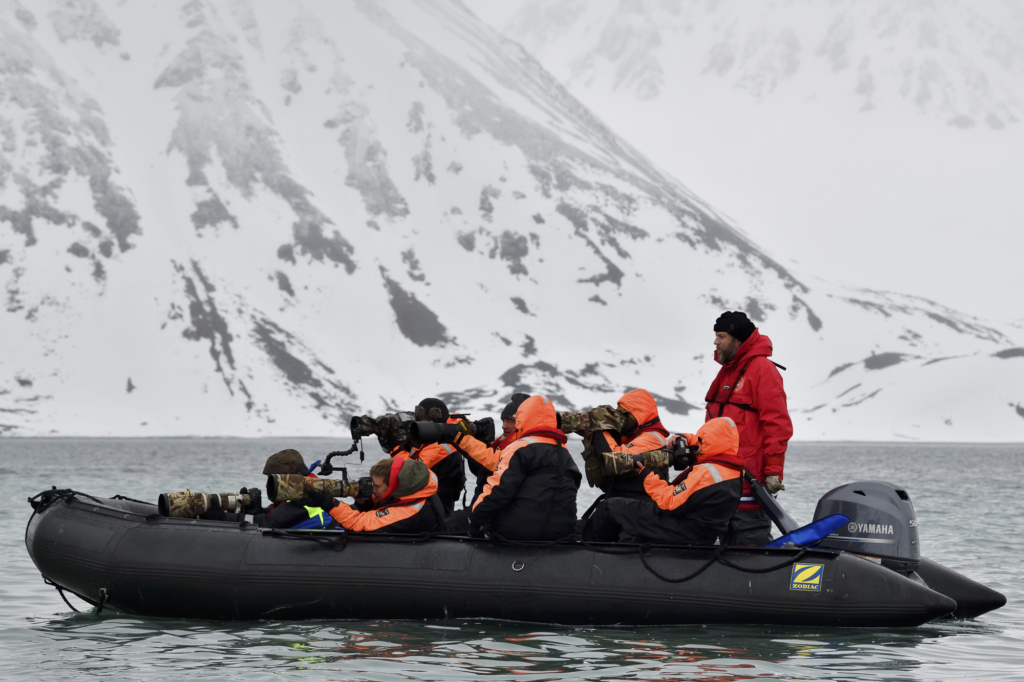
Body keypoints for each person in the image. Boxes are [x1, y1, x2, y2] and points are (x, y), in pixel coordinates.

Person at [696, 310, 793, 545]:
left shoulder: (762, 369)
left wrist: (772, 472)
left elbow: (777, 423)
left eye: (721, 336)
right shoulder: (728, 370)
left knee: (750, 542)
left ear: (738, 339)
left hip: (750, 481)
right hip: (721, 481)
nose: (715, 342)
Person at [583, 417, 743, 545]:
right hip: (704, 532)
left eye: (701, 441)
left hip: (683, 531)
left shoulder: (705, 472)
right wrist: (684, 438)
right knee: (634, 512)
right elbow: (708, 444)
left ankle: (586, 553)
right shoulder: (734, 469)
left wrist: (646, 475)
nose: (699, 445)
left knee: (610, 507)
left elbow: (669, 503)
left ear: (709, 442)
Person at [469, 394, 582, 540]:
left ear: (522, 418)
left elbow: (499, 490)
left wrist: (474, 520)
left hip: (518, 530)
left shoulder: (519, 448)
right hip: (560, 532)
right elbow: (574, 486)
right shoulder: (564, 451)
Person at [310, 457, 445, 533]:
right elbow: (390, 503)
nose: (373, 490)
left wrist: (328, 502)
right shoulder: (413, 488)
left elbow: (357, 524)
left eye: (377, 486)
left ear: (393, 486)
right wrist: (365, 503)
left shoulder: (411, 510)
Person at [199, 449, 328, 528]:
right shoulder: (298, 491)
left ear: (287, 479)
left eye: (272, 480)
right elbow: (277, 515)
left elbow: (270, 522)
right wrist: (255, 510)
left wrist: (222, 517)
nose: (267, 486)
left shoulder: (308, 494)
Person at [587, 388, 672, 501]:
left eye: (625, 414)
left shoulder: (652, 437)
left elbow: (613, 457)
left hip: (639, 506)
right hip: (628, 503)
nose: (621, 419)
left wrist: (600, 427)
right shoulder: (634, 435)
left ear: (639, 415)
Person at [393, 398, 466, 516]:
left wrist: (395, 449)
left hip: (435, 513)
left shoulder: (441, 446)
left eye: (420, 416)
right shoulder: (428, 441)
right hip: (425, 507)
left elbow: (410, 473)